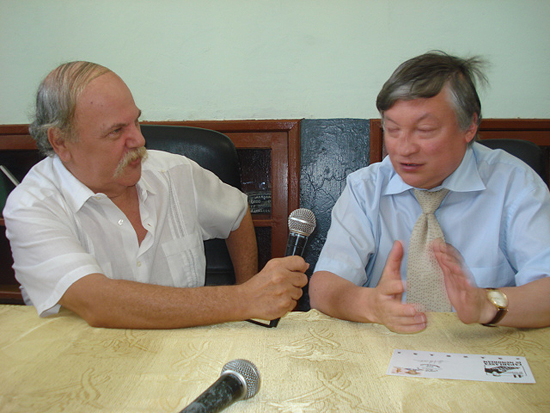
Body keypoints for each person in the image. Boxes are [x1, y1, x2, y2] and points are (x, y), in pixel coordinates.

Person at [3, 61, 308, 328]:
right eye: (115, 131)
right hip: (89, 371)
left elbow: (237, 212)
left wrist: (248, 299)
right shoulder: (31, 207)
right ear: (61, 143)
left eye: (136, 121)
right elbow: (98, 302)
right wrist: (244, 298)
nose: (139, 139)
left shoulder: (175, 174)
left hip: (186, 359)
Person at [310, 51, 550, 333]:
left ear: (469, 126)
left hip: (484, 354)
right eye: (393, 129)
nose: (404, 148)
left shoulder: (515, 184)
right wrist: (370, 303)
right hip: (389, 356)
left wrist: (486, 304)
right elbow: (325, 287)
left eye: (424, 130)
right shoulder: (366, 188)